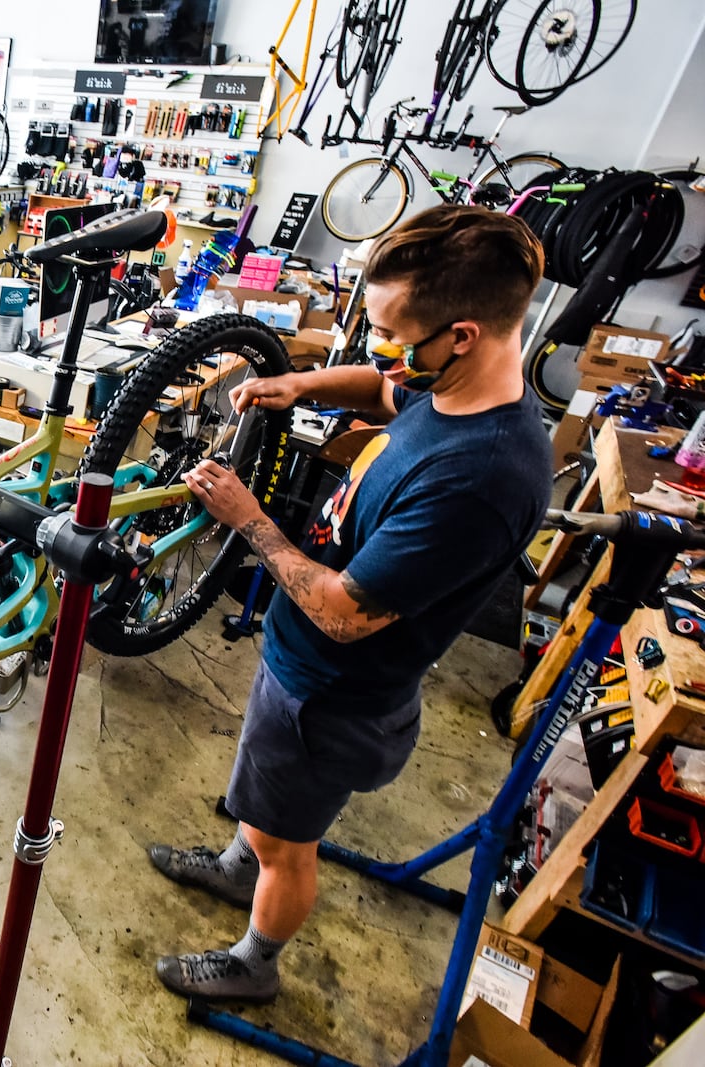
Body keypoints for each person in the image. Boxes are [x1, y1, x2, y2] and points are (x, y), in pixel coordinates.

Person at [149, 205, 553, 1004]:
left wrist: (249, 519)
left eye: (395, 335)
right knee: (262, 813)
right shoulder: (459, 389)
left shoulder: (484, 478)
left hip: (333, 699)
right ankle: (238, 867)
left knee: (288, 843)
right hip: (302, 670)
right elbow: (382, 387)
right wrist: (295, 381)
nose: (382, 353)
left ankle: (255, 960)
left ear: (463, 334)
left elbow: (342, 612)